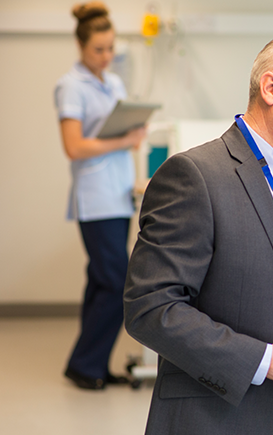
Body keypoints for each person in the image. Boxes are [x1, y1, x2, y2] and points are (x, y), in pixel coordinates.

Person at [124, 31, 273, 435]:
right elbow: (150, 309)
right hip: (229, 417)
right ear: (271, 87)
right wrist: (264, 361)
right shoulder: (195, 176)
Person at [54, 1, 146, 390]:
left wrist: (132, 139)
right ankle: (86, 362)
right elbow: (73, 146)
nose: (106, 56)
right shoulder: (70, 86)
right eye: (98, 49)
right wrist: (123, 139)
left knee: (99, 282)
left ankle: (87, 364)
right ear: (80, 45)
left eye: (110, 48)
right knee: (116, 283)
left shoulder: (114, 83)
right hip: (94, 199)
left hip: (118, 195)